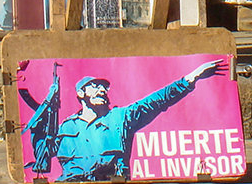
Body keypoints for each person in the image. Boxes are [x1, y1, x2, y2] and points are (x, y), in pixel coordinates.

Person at [55, 61, 225, 181]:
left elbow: (155, 102)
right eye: (94, 86)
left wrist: (190, 78)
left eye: (103, 88)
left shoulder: (120, 118)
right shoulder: (66, 126)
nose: (101, 90)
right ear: (80, 93)